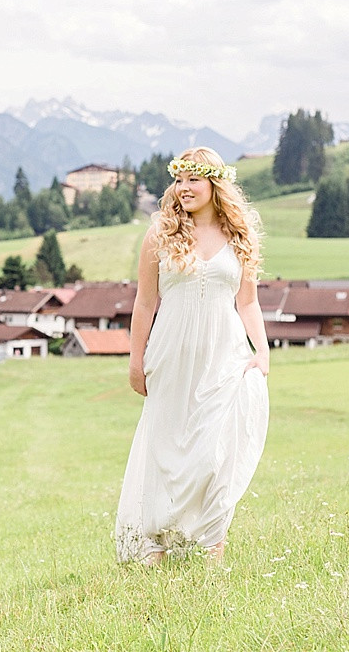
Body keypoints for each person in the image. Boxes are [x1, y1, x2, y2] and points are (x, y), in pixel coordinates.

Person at [115, 146, 270, 565]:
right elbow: (145, 303)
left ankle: (212, 543)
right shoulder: (160, 234)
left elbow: (248, 303)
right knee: (167, 448)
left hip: (225, 355)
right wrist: (136, 360)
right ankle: (157, 544)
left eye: (193, 180)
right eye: (179, 180)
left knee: (216, 450)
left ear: (215, 183)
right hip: (170, 356)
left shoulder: (240, 237)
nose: (183, 189)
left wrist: (263, 352)